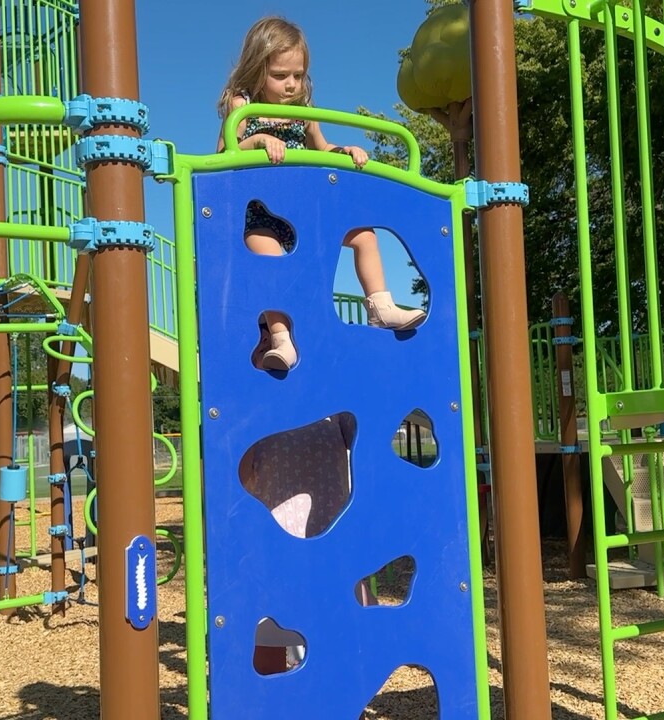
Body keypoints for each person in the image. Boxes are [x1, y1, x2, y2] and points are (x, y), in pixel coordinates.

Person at [216, 16, 426, 371]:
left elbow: (322, 147)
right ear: (258, 69)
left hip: (304, 212)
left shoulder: (304, 111)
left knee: (364, 236)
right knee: (268, 255)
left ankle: (380, 306)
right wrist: (256, 140)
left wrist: (344, 151)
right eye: (280, 75)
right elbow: (223, 153)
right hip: (262, 214)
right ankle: (280, 338)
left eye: (298, 75)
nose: (291, 84)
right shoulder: (243, 106)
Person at [240, 320, 377, 674]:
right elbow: (240, 476)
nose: (267, 349)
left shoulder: (331, 412)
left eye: (272, 339)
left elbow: (363, 433)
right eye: (260, 342)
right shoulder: (255, 417)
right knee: (270, 634)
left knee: (347, 634)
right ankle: (272, 695)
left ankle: (347, 693)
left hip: (333, 539)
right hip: (277, 546)